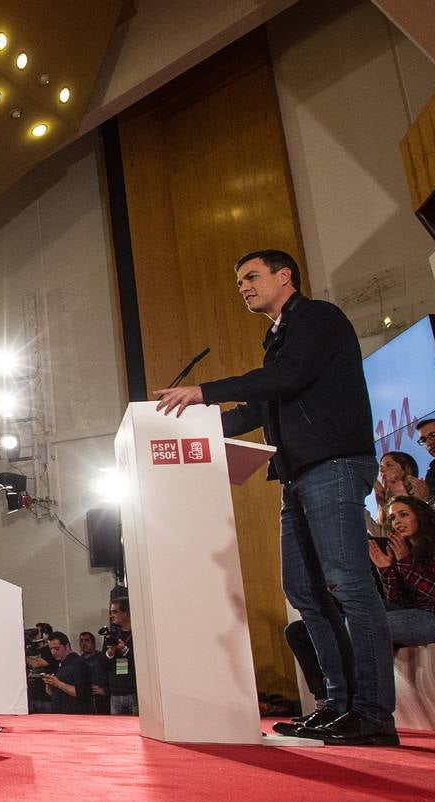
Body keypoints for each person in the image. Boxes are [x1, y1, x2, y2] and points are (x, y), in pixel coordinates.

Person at [154, 248, 395, 746]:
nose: (243, 286)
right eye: (239, 280)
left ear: (285, 276)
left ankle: (373, 713)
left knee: (349, 585)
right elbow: (262, 403)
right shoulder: (278, 336)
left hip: (333, 464)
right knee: (305, 592)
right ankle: (336, 704)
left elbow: (287, 379)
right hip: (298, 474)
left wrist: (205, 391)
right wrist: (191, 431)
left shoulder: (318, 319)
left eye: (252, 276)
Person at [369, 496, 435, 644]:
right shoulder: (401, 550)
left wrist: (406, 563)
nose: (397, 521)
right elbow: (399, 602)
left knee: (367, 626)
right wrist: (386, 570)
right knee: (360, 613)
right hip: (414, 613)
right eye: (392, 518)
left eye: (403, 514)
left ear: (420, 516)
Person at [40, 631, 91, 714]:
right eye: (51, 649)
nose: (53, 652)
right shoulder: (61, 664)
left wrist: (57, 683)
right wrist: (49, 683)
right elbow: (51, 692)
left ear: (67, 646)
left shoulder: (78, 664)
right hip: (60, 712)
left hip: (74, 714)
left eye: (57, 648)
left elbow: (82, 693)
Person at [103, 594, 137, 715]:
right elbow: (103, 664)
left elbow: (143, 662)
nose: (111, 615)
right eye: (111, 612)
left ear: (126, 613)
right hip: (116, 692)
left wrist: (125, 650)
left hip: (135, 691)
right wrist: (110, 653)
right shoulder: (112, 635)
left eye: (115, 612)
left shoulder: (139, 632)